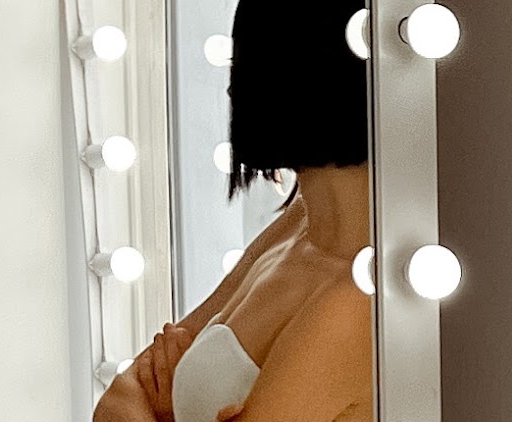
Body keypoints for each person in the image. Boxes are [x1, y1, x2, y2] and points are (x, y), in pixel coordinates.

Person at [92, 1, 374, 420]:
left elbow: (126, 405)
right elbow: (117, 399)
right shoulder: (297, 224)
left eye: (243, 61)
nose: (230, 88)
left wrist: (164, 411)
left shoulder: (352, 302)